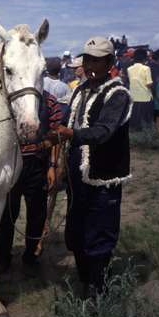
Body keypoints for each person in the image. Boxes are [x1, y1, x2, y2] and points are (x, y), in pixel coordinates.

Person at [46, 36, 131, 297]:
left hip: (103, 174)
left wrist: (69, 133)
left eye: (98, 60)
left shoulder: (118, 94)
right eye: (88, 59)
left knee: (100, 232)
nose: (91, 65)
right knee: (76, 230)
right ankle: (85, 279)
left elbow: (103, 131)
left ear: (110, 63)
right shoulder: (80, 90)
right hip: (77, 174)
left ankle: (97, 290)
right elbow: (64, 119)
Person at [0, 88, 63, 275]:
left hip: (38, 164)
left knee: (37, 213)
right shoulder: (8, 100)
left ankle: (31, 257)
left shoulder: (49, 100)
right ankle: (3, 257)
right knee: (7, 213)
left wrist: (52, 165)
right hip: (11, 163)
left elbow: (56, 133)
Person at [128, 48, 153, 131]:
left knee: (135, 115)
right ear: (144, 58)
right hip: (145, 96)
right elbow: (149, 83)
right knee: (146, 117)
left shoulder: (129, 69)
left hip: (134, 95)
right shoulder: (146, 68)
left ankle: (135, 129)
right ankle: (146, 131)